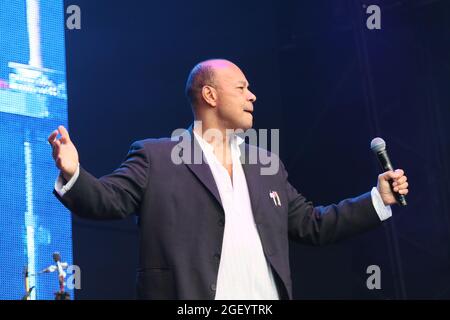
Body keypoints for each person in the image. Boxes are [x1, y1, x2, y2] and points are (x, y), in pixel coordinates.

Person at [48, 59, 409, 300]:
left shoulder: (265, 162)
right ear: (210, 94)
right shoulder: (157, 156)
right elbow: (108, 200)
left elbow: (312, 225)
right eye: (241, 88)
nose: (252, 95)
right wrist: (73, 173)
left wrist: (377, 199)